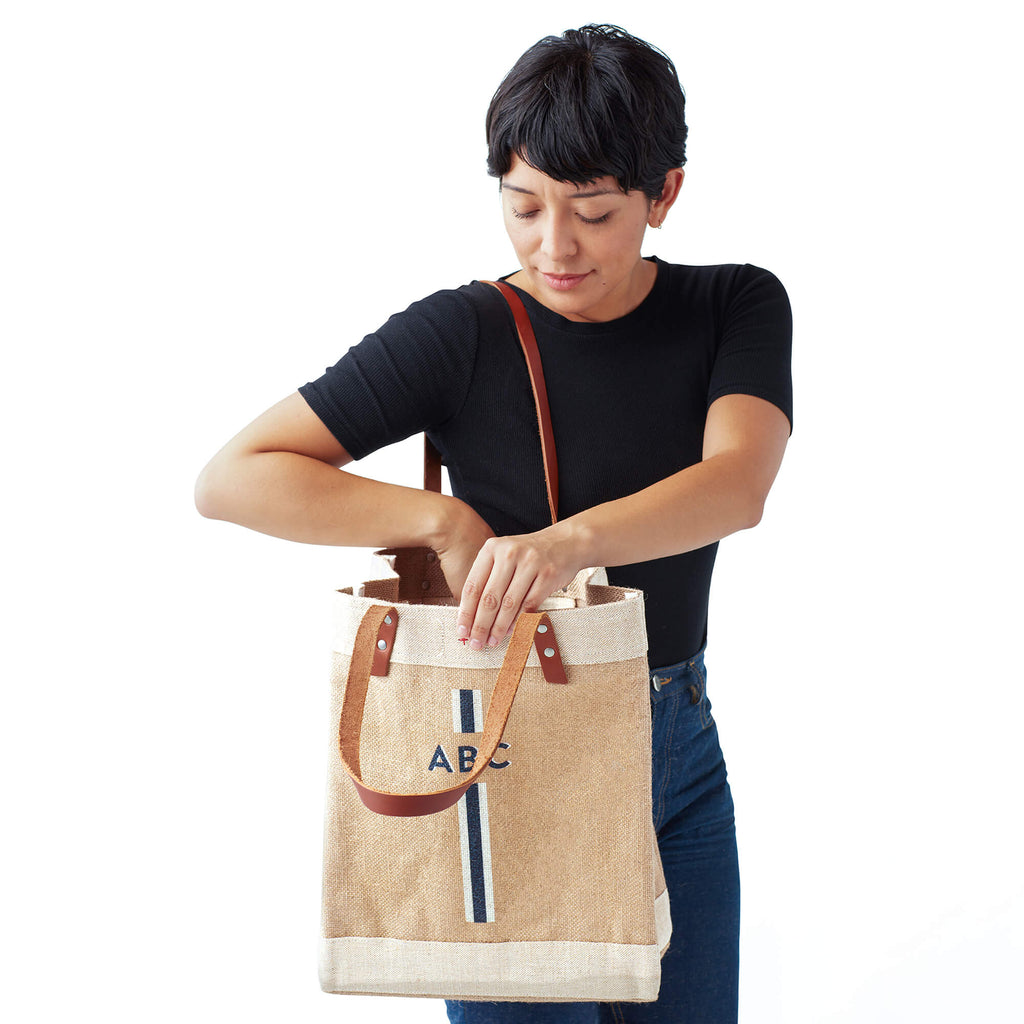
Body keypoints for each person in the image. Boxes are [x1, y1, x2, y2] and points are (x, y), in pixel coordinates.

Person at [196, 23, 791, 1024]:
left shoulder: (734, 304)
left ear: (664, 193)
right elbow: (232, 478)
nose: (554, 245)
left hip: (677, 746)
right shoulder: (462, 331)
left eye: (593, 212)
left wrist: (566, 543)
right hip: (509, 754)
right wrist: (439, 519)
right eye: (523, 206)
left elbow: (737, 484)